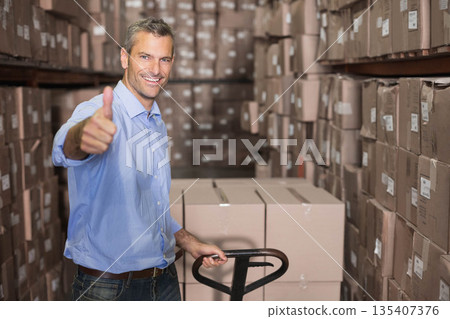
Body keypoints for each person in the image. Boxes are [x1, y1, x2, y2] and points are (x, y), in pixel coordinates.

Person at [52, 17, 227, 301]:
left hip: (164, 279)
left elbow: (149, 208)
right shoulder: (98, 111)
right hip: (109, 288)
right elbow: (63, 148)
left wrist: (190, 243)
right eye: (145, 57)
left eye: (164, 60)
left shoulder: (155, 120)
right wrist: (82, 137)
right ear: (125, 57)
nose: (155, 70)